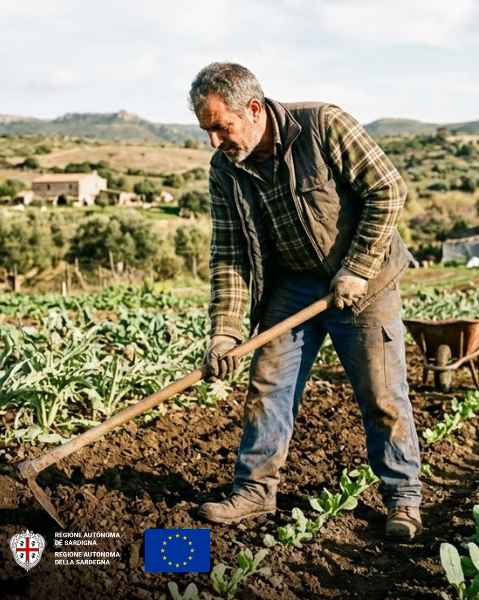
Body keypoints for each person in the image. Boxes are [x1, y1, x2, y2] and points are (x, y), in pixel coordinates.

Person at [188, 62, 423, 541]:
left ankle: (403, 497)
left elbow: (387, 189)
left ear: (253, 109)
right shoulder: (226, 171)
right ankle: (254, 490)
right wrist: (225, 331)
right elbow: (230, 253)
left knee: (381, 396)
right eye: (206, 130)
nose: (214, 141)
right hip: (292, 286)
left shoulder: (323, 125)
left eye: (220, 127)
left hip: (366, 279)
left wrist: (356, 268)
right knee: (267, 387)